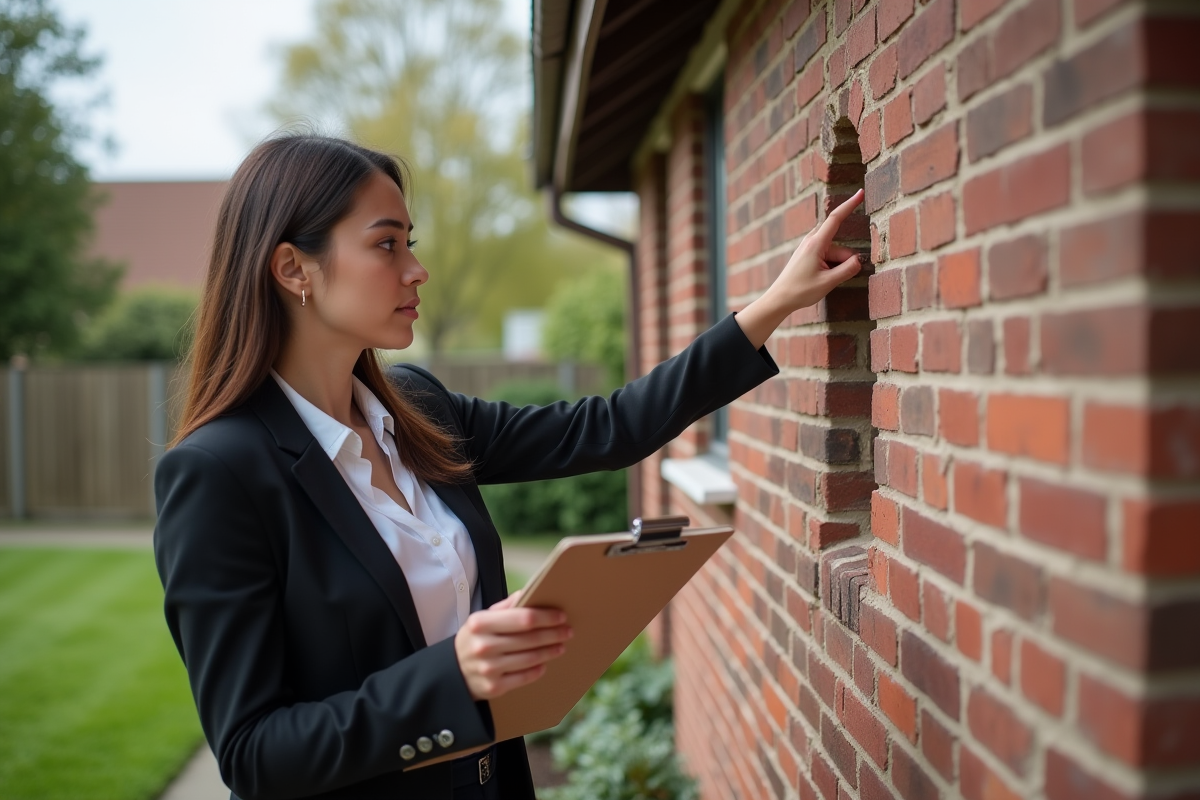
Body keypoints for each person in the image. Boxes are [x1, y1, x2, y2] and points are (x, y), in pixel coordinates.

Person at [153, 133, 865, 800]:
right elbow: (252, 753)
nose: (416, 267)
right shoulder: (219, 474)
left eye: (411, 242)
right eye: (386, 244)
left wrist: (774, 305)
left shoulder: (416, 407)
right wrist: (451, 675)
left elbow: (610, 428)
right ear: (291, 269)